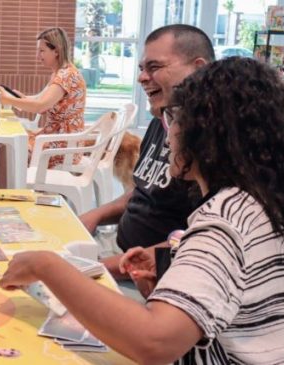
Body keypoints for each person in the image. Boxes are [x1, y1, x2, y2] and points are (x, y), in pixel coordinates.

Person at [0, 56, 284, 364]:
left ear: (203, 132)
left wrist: (47, 266)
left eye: (173, 118)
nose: (168, 131)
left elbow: (155, 341)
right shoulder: (269, 202)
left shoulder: (225, 222)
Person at [79, 24, 213, 278]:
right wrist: (95, 215)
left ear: (199, 68)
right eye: (142, 68)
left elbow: (193, 243)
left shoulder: (215, 143)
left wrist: (90, 270)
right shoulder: (159, 121)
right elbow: (143, 190)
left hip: (151, 275)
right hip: (118, 251)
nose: (141, 77)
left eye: (154, 67)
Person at [0, 27, 85, 187]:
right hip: (60, 138)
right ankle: (13, 190)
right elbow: (42, 101)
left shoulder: (65, 76)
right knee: (8, 145)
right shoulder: (62, 73)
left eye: (42, 51)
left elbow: (40, 106)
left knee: (7, 149)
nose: (38, 56)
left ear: (56, 51)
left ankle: (11, 192)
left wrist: (10, 100)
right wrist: (21, 98)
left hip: (62, 144)